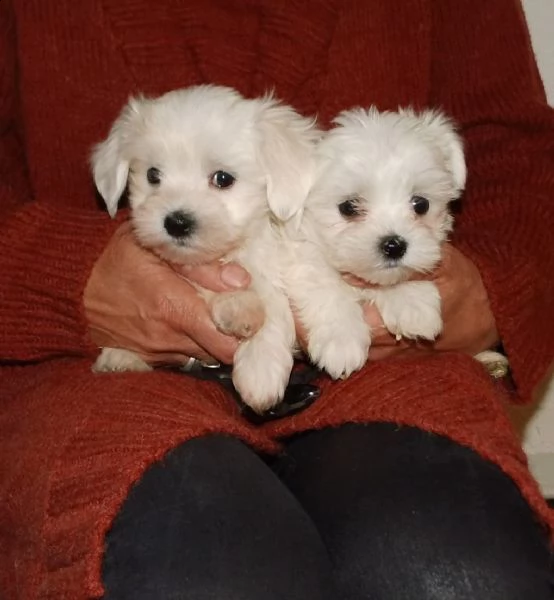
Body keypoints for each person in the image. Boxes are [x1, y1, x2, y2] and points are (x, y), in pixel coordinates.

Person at [0, 0, 553, 598]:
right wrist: (56, 274)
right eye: (154, 177)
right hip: (81, 374)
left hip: (394, 364)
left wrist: (496, 287)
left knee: (459, 574)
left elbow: (515, 151)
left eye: (220, 179)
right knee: (209, 573)